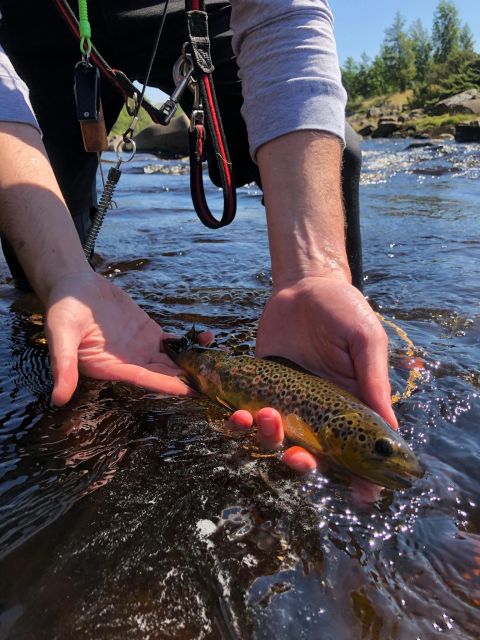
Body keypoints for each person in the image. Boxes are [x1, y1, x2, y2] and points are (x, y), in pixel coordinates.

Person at [0, 1, 397, 474]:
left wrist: (313, 272)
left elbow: (284, 15)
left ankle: (330, 331)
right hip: (37, 27)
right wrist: (62, 272)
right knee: (39, 265)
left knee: (338, 151)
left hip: (195, 13)